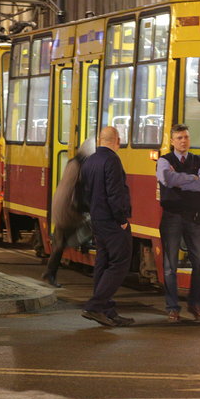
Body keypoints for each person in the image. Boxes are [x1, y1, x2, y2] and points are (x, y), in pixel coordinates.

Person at [79, 126, 134, 327]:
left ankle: (107, 310)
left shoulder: (90, 161)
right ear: (117, 140)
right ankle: (94, 306)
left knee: (102, 263)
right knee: (119, 263)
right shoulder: (112, 160)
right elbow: (115, 193)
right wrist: (121, 219)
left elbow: (84, 193)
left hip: (96, 219)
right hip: (112, 221)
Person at [156, 124, 200, 322]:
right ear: (171, 141)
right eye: (179, 137)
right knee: (170, 265)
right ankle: (172, 307)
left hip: (193, 217)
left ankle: (195, 303)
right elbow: (166, 178)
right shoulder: (164, 160)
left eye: (186, 137)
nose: (183, 141)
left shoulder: (199, 160)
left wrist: (180, 179)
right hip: (172, 217)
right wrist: (192, 179)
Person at [42, 138, 95, 287]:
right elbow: (80, 192)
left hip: (61, 207)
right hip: (69, 210)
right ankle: (50, 273)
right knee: (92, 225)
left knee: (59, 244)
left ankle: (49, 273)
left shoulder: (73, 163)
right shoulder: (81, 167)